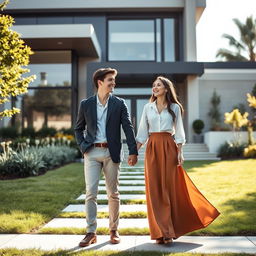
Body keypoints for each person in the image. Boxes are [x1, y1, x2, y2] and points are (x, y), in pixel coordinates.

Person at [136, 76, 220, 244]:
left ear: (166, 89)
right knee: (154, 190)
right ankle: (160, 232)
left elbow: (180, 132)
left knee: (168, 189)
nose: (155, 87)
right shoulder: (147, 108)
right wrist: (134, 153)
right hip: (152, 148)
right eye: (154, 85)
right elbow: (142, 133)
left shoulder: (174, 107)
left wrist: (180, 152)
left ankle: (167, 231)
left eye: (158, 85)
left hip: (169, 147)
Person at [74, 67, 138, 247]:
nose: (113, 83)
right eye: (110, 80)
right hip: (92, 152)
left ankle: (113, 230)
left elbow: (128, 128)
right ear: (100, 82)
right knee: (90, 193)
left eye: (114, 80)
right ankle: (90, 232)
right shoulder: (86, 104)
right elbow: (78, 128)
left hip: (112, 153)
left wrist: (133, 151)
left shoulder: (119, 103)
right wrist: (83, 146)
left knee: (113, 193)